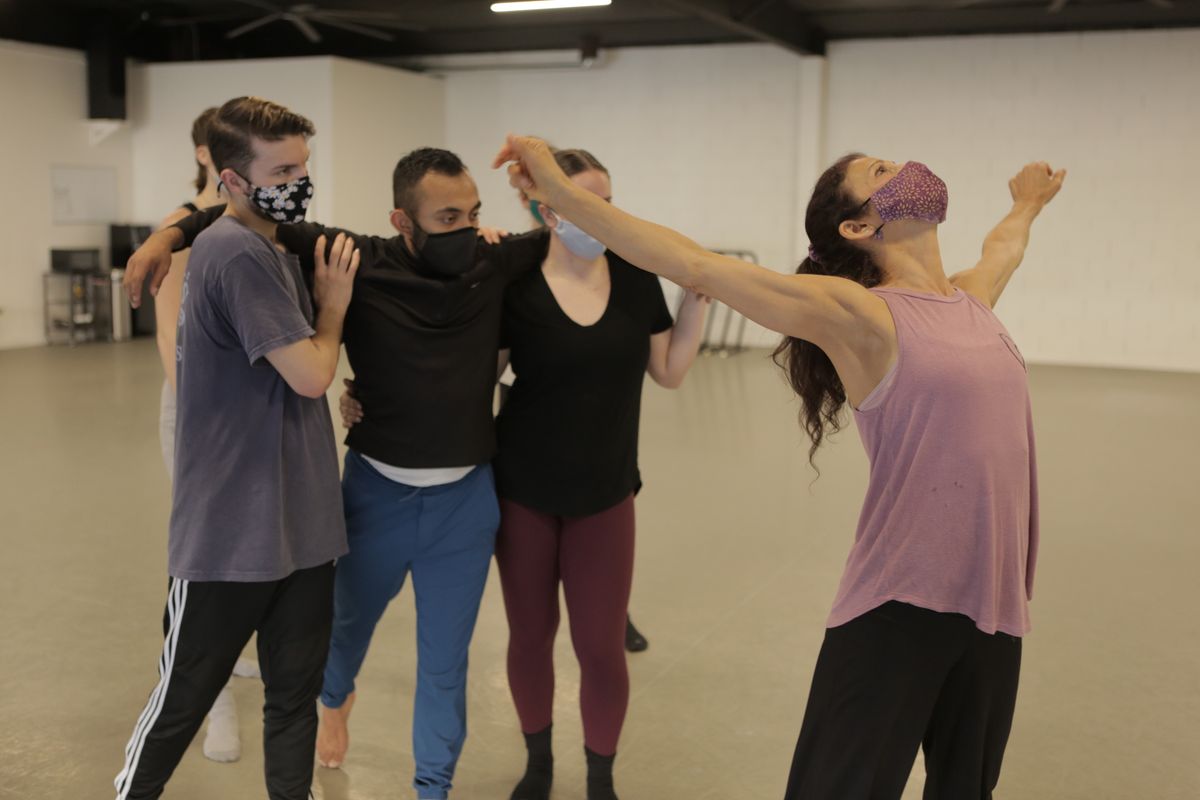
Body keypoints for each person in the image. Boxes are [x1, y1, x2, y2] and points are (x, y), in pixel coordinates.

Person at [495, 135, 1064, 799]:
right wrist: (558, 195)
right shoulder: (861, 316)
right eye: (882, 171)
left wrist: (1026, 202)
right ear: (860, 226)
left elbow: (1004, 248)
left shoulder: (971, 301)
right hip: (901, 602)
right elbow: (694, 265)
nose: (905, 165)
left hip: (995, 603)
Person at [123, 147, 545, 800]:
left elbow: (585, 229)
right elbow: (236, 216)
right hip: (377, 493)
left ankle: (432, 789)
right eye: (448, 216)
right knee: (341, 638)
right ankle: (334, 705)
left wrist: (543, 191)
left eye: (474, 213)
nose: (466, 228)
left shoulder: (489, 261)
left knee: (445, 667)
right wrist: (165, 237)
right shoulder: (356, 259)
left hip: (465, 503)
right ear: (402, 221)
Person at [341, 148, 708, 800]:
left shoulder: (634, 274)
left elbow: (670, 372)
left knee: (600, 646)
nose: (596, 216)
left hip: (605, 492)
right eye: (579, 202)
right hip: (522, 491)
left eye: (605, 202)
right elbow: (460, 366)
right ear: (546, 207)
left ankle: (601, 779)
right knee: (530, 637)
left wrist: (699, 298)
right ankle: (537, 764)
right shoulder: (511, 279)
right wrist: (369, 394)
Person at [113, 96, 357, 800]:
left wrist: (170, 232)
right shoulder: (235, 251)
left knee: (292, 696)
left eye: (303, 165)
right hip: (231, 532)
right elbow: (311, 375)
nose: (299, 180)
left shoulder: (275, 242)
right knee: (184, 697)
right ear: (233, 178)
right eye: (283, 168)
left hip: (304, 525)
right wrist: (333, 308)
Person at [150, 105, 259, 765]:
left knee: (255, 544)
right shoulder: (178, 228)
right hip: (196, 412)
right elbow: (170, 331)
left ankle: (240, 653)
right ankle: (212, 707)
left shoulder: (262, 222)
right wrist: (202, 414)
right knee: (205, 556)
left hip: (257, 409)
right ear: (203, 155)